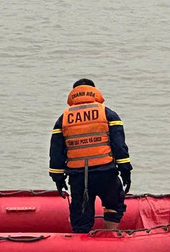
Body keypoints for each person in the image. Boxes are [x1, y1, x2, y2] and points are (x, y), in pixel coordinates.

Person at [49, 79, 132, 234]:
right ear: (93, 91)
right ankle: (110, 235)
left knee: (81, 216)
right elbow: (119, 146)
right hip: (105, 172)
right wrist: (125, 170)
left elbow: (56, 153)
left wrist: (58, 179)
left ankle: (82, 248)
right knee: (114, 205)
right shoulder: (107, 114)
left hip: (78, 176)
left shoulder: (63, 119)